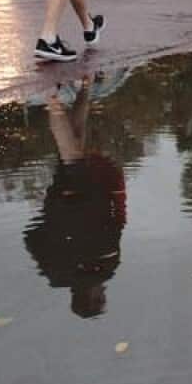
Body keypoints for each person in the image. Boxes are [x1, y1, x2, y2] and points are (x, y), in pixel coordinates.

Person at [23, 79, 127, 318]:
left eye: (100, 297)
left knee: (72, 156)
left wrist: (111, 196)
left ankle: (53, 96)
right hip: (60, 205)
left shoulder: (106, 269)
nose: (103, 292)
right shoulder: (55, 275)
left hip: (90, 201)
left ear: (92, 297)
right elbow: (31, 240)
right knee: (73, 147)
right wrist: (48, 221)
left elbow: (116, 227)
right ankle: (83, 87)